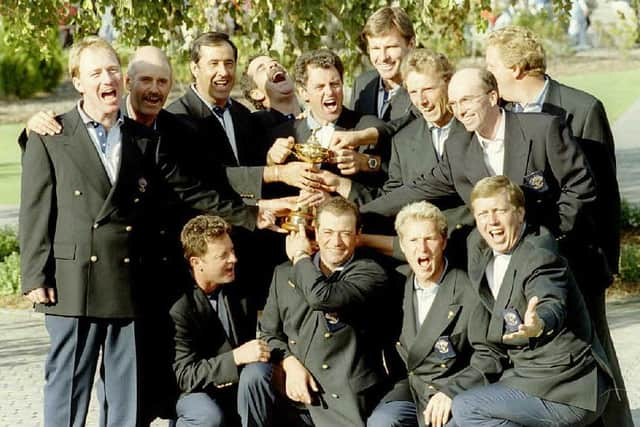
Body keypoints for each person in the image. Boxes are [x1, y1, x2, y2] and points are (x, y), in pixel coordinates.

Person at [485, 26, 630, 426]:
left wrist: (606, 261)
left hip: (579, 258)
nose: (488, 74)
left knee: (596, 354)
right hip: (527, 263)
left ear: (514, 68)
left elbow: (601, 191)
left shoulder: (583, 108)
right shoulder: (504, 115)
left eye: (492, 66)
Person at [20, 36, 165, 427]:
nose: (108, 79)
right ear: (77, 82)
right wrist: (35, 274)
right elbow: (35, 209)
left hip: (128, 281)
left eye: (114, 70)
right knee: (67, 392)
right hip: (72, 283)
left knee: (125, 398)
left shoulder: (144, 139)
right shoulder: (51, 134)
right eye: (96, 72)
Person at [361, 67, 596, 257]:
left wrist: (551, 235)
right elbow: (416, 188)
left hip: (562, 256)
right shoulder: (458, 148)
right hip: (499, 263)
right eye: (453, 104)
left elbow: (580, 185)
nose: (460, 111)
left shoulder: (542, 130)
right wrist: (358, 215)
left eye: (467, 101)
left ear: (492, 97)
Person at [452, 176, 613, 427]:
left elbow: (550, 298)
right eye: (483, 213)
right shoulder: (478, 245)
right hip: (524, 376)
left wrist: (539, 324)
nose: (491, 220)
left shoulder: (539, 253)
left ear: (519, 213)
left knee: (468, 408)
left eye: (500, 211)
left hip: (568, 387)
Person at [257, 196, 418, 426]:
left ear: (357, 234)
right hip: (295, 394)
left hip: (343, 396)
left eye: (344, 233)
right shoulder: (283, 274)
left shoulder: (370, 273)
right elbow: (269, 334)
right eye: (328, 232)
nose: (336, 241)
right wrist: (289, 363)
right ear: (316, 230)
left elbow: (322, 298)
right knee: (254, 376)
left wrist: (301, 256)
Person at [348, 49, 473, 264]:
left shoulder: (473, 127)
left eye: (428, 89)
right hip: (418, 256)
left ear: (448, 83)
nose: (421, 100)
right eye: (414, 92)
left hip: (469, 244)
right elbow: (394, 195)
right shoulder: (403, 140)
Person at [393, 201, 497, 427]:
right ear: (402, 245)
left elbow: (490, 355)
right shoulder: (396, 284)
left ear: (443, 241)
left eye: (429, 239)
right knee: (383, 421)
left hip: (454, 390)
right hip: (413, 389)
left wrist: (452, 391)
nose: (422, 249)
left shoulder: (469, 292)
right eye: (413, 240)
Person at [170, 215, 273, 427]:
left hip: (234, 384)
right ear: (196, 262)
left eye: (232, 250)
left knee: (258, 372)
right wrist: (235, 357)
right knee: (208, 417)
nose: (233, 259)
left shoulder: (238, 285)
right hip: (191, 391)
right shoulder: (179, 305)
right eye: (223, 255)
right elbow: (184, 376)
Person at [352, 6, 417, 130]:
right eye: (375, 48)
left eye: (391, 47)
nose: (383, 57)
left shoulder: (424, 87)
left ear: (411, 45)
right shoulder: (362, 84)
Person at [240, 54, 302, 129]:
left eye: (275, 62)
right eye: (262, 68)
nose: (273, 64)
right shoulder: (254, 131)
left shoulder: (315, 113)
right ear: (256, 94)